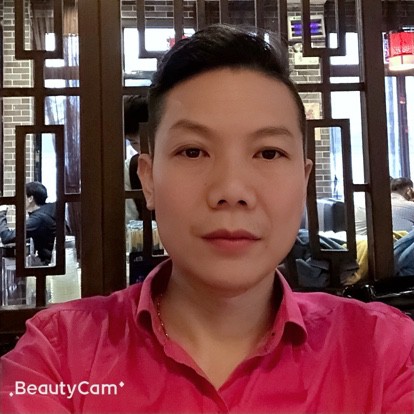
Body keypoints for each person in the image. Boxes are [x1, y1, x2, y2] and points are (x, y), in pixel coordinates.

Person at [1, 25, 413, 413]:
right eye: (193, 151)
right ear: (148, 179)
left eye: (268, 153)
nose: (231, 189)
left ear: (303, 180)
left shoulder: (386, 352)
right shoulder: (58, 356)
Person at [0, 181, 56, 265]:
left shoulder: (38, 218)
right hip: (54, 262)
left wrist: (1, 213)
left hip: (46, 265)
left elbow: (7, 238)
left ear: (30, 199)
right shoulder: (49, 209)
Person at [124, 95, 148, 225]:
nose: (141, 147)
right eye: (133, 142)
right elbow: (128, 223)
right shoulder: (130, 169)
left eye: (147, 138)